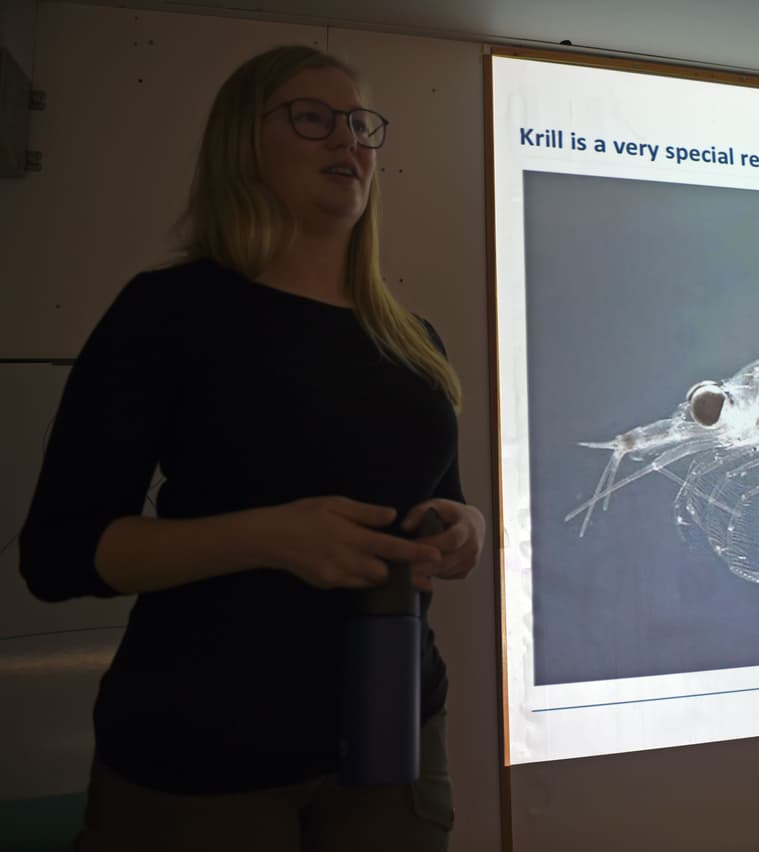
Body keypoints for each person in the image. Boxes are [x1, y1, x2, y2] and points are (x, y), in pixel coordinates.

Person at [18, 44, 483, 851]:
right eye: (313, 118)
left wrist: (464, 529)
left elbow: (447, 510)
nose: (348, 142)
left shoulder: (415, 341)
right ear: (243, 142)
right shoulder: (168, 312)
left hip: (393, 736)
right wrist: (269, 537)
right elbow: (58, 556)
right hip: (203, 750)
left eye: (361, 125)